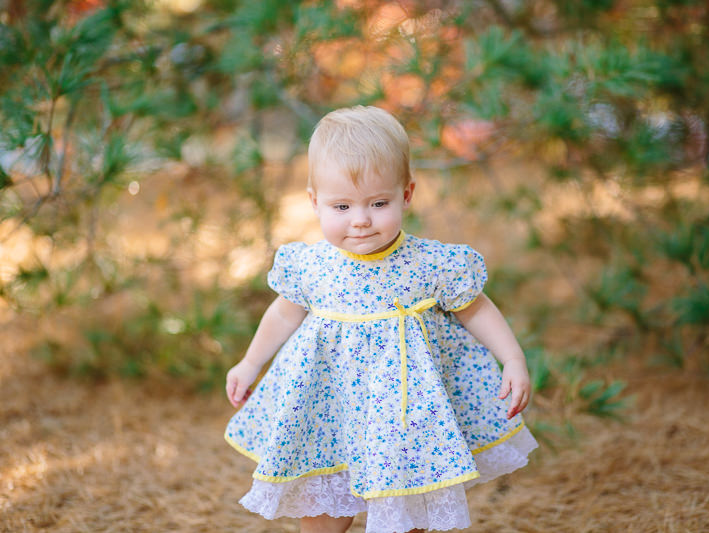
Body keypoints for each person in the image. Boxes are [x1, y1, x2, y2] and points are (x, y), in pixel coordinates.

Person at [224, 105, 538, 533]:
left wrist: (513, 358)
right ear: (314, 201)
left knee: (406, 514)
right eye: (341, 206)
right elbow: (283, 314)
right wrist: (249, 363)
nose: (360, 220)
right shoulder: (312, 265)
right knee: (321, 514)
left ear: (406, 195)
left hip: (404, 417)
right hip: (327, 411)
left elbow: (475, 307)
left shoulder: (430, 264)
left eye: (378, 202)